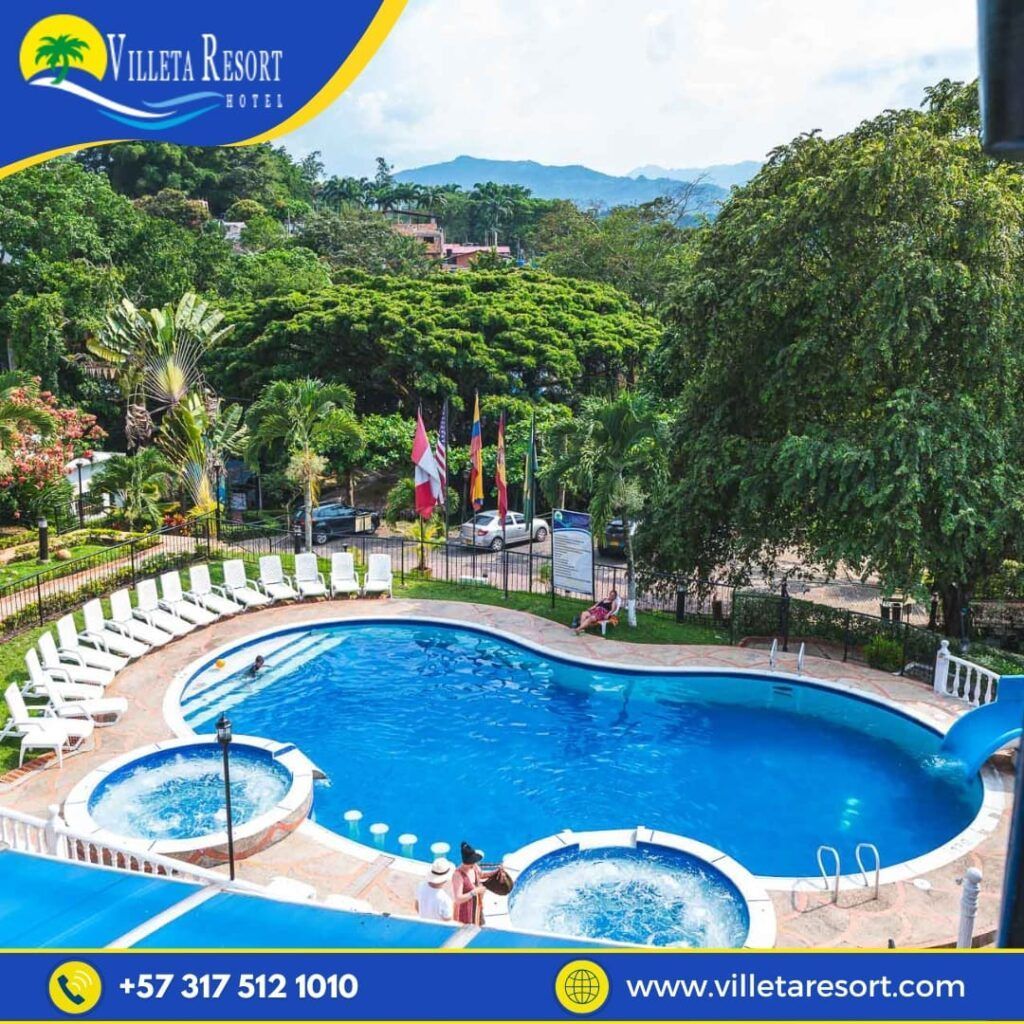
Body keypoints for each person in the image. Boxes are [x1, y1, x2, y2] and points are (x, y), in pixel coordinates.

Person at [452, 841, 498, 925]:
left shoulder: (474, 867)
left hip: (477, 908)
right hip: (465, 913)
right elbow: (458, 899)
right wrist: (475, 892)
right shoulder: (458, 875)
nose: (475, 863)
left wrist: (495, 872)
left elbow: (481, 875)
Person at [415, 857, 454, 922]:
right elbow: (447, 920)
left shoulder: (421, 885)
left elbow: (417, 906)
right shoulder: (445, 899)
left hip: (423, 923)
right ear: (445, 879)